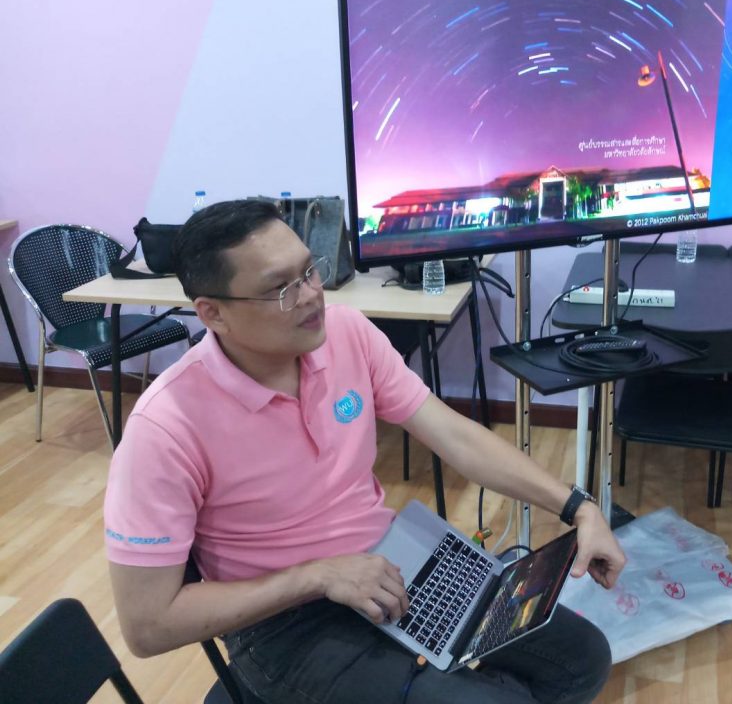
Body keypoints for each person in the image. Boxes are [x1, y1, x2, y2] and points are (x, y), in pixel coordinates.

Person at [104, 200, 626, 704]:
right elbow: (148, 626)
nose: (311, 296)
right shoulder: (165, 427)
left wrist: (578, 507)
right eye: (281, 289)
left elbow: (454, 435)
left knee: (583, 659)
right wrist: (319, 575)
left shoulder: (346, 333)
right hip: (282, 624)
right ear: (213, 313)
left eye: (310, 271)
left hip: (393, 561)